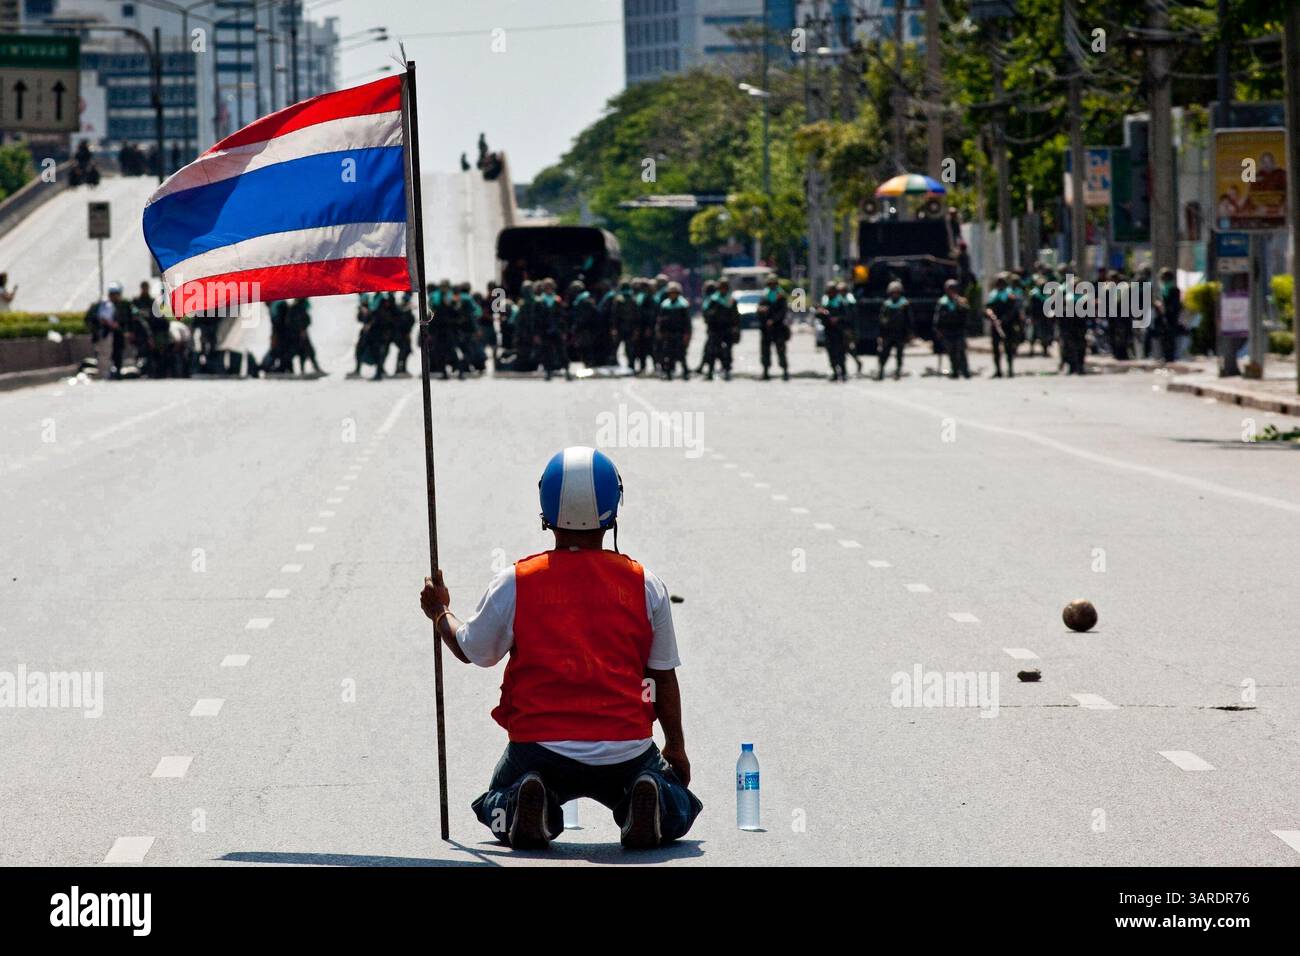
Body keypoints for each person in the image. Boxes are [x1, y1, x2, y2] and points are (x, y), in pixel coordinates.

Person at [418, 447, 703, 849]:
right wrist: (676, 746)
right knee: (679, 806)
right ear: (613, 509)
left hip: (539, 748)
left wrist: (440, 611)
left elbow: (470, 650)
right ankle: (648, 796)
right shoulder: (645, 584)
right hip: (625, 747)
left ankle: (524, 802)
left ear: (545, 512)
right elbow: (662, 675)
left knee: (493, 803)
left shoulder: (516, 581)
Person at [984, 273, 1022, 378]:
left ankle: (1010, 370)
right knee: (996, 349)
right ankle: (998, 370)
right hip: (995, 325)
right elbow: (988, 308)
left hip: (1008, 325)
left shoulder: (1010, 295)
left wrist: (1005, 319)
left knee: (1008, 348)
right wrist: (991, 315)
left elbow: (1014, 310)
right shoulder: (993, 295)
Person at [933, 279, 971, 379]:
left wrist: (960, 304)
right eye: (950, 289)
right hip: (947, 331)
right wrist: (938, 329)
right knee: (951, 351)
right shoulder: (942, 302)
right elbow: (938, 317)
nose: (952, 291)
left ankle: (965, 371)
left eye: (953, 289)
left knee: (961, 350)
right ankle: (955, 371)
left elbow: (966, 314)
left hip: (959, 330)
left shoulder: (961, 301)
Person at [701, 279, 737, 381]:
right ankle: (710, 372)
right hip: (715, 329)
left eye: (725, 288)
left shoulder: (731, 300)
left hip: (727, 329)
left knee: (727, 352)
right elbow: (706, 314)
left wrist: (735, 328)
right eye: (721, 288)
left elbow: (736, 316)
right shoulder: (713, 300)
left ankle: (726, 370)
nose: (723, 290)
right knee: (712, 351)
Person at [756, 274, 790, 381]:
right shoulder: (765, 295)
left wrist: (773, 320)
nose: (772, 286)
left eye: (773, 284)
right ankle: (765, 372)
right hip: (766, 329)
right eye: (770, 284)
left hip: (778, 328)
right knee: (765, 351)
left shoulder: (781, 296)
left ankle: (785, 371)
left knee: (781, 350)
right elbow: (759, 309)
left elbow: (783, 312)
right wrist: (761, 312)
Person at [656, 281, 692, 380]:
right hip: (668, 333)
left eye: (674, 293)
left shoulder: (683, 305)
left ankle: (685, 372)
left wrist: (687, 334)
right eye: (671, 293)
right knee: (668, 354)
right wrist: (660, 331)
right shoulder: (665, 305)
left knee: (681, 354)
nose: (673, 295)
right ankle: (668, 372)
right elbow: (660, 320)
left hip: (679, 333)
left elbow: (687, 322)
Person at [877, 280, 911, 381]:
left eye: (897, 292)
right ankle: (881, 371)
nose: (895, 294)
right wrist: (883, 327)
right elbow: (881, 319)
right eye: (893, 292)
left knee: (899, 355)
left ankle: (898, 371)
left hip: (900, 333)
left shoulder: (904, 304)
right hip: (888, 333)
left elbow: (909, 320)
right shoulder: (887, 304)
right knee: (884, 354)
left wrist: (909, 333)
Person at [819, 280, 848, 382]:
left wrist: (837, 319)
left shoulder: (840, 302)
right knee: (831, 353)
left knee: (840, 353)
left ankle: (843, 373)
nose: (831, 294)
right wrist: (821, 313)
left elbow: (847, 316)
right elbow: (820, 316)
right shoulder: (825, 302)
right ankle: (835, 372)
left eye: (833, 292)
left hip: (839, 331)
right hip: (829, 331)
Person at [1153, 267, 1182, 364]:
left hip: (1171, 318)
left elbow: (1175, 306)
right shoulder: (1161, 291)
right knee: (1163, 338)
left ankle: (1170, 358)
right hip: (1162, 319)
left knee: (1170, 338)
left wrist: (1164, 308)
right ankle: (1165, 357)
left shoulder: (1174, 290)